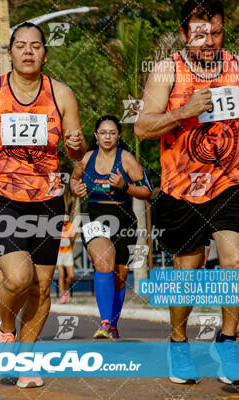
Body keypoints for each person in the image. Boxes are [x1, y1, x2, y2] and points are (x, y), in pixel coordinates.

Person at [135, 0, 239, 385]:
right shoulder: (166, 70)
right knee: (186, 275)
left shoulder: (238, 65)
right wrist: (183, 111)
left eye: (217, 32)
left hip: (230, 181)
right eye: (199, 33)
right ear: (184, 34)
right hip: (182, 190)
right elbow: (142, 128)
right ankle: (178, 343)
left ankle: (227, 342)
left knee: (236, 260)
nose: (209, 40)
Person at [0, 21, 86, 388]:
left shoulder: (61, 95)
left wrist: (75, 144)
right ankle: (7, 332)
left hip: (47, 198)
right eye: (21, 45)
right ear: (9, 52)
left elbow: (75, 151)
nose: (28, 51)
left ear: (45, 52)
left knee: (42, 287)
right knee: (18, 277)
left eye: (36, 46)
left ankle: (26, 359)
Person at [71, 115, 151, 339]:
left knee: (119, 275)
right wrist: (75, 188)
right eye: (103, 133)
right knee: (103, 260)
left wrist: (124, 186)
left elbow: (147, 191)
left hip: (124, 218)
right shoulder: (87, 159)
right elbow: (74, 180)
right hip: (95, 215)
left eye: (112, 133)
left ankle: (113, 325)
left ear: (118, 136)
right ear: (96, 136)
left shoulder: (126, 160)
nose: (107, 137)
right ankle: (105, 323)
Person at [56, 217, 76, 304]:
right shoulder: (57, 226)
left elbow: (73, 238)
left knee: (71, 275)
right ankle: (63, 295)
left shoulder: (70, 226)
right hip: (59, 253)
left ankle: (66, 290)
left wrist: (69, 236)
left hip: (68, 252)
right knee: (61, 275)